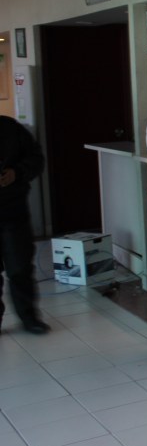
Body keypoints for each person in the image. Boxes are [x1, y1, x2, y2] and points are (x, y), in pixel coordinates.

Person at [0, 116, 48, 335]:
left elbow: (37, 160)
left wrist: (16, 173)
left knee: (20, 267)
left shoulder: (11, 129)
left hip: (13, 211)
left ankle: (29, 318)